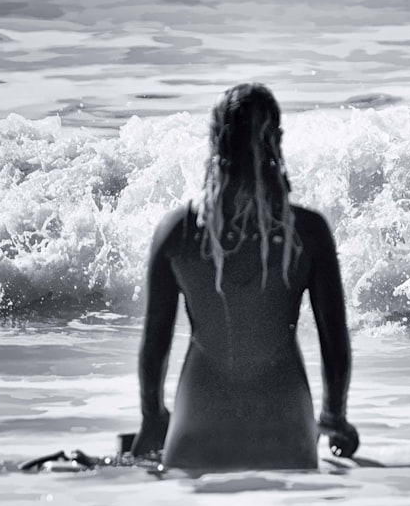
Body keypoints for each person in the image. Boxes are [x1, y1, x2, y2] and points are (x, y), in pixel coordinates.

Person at [131, 83, 359, 469]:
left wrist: (153, 420)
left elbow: (155, 348)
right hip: (286, 437)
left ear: (215, 142)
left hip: (196, 436)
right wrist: (334, 419)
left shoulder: (178, 231)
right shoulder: (308, 232)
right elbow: (334, 346)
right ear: (277, 141)